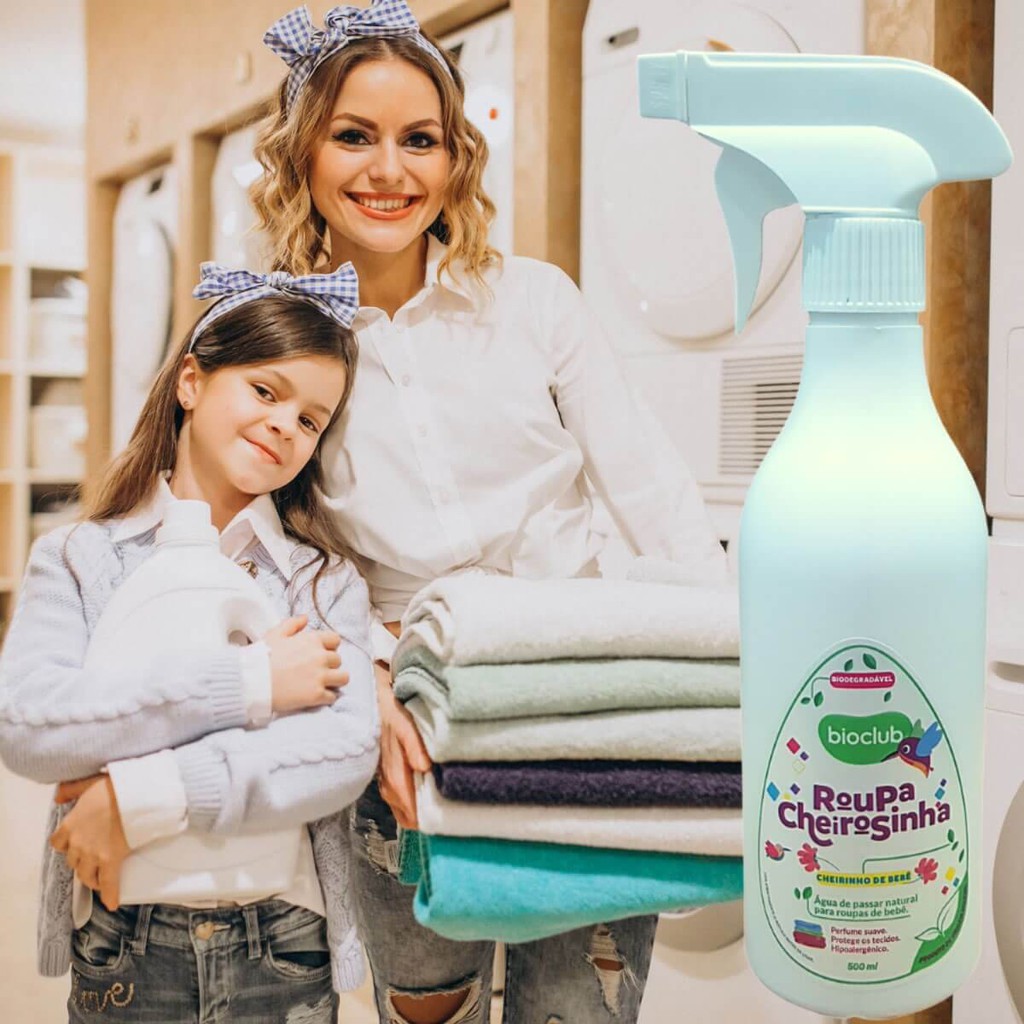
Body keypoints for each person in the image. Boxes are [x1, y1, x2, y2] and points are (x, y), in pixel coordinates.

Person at [252, 4, 730, 1021]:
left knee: (577, 1011)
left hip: (580, 710)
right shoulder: (277, 338)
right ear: (303, 154)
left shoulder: (534, 301)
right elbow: (262, 543)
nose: (389, 170)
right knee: (430, 1005)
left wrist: (727, 677)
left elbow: (647, 486)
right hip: (407, 724)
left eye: (419, 139)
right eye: (354, 136)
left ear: (456, 155)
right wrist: (365, 683)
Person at [0, 263, 380, 1023]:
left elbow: (342, 753)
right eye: (266, 391)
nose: (286, 425)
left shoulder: (322, 580)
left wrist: (140, 795)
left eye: (311, 420)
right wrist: (251, 684)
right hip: (124, 940)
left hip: (283, 939)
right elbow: (31, 725)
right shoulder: (78, 558)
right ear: (191, 382)